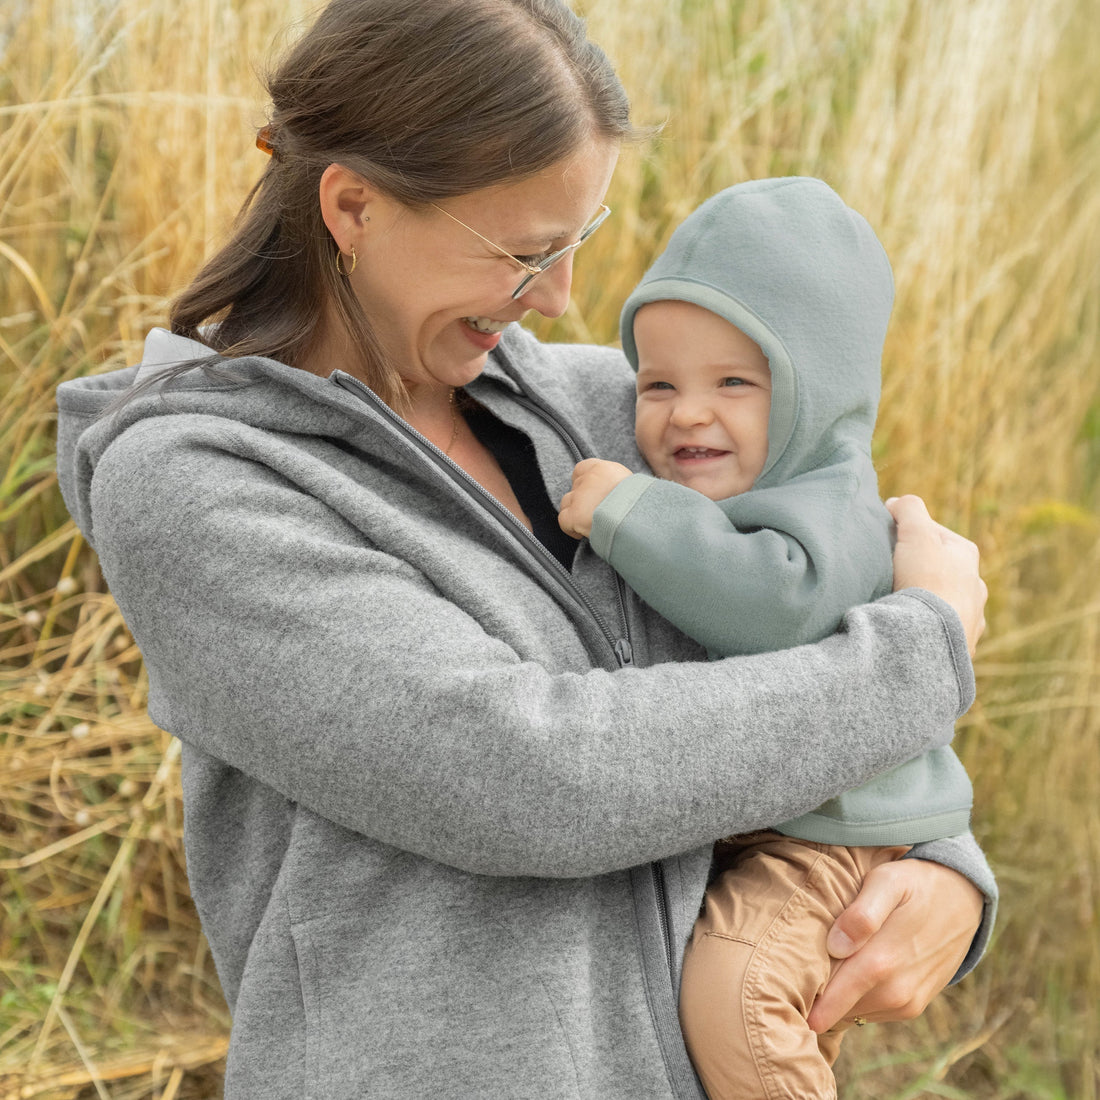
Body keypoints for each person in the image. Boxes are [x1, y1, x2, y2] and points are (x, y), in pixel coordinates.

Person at [54, 2, 994, 1097]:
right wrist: (920, 662)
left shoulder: (609, 410)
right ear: (352, 206)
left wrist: (941, 868)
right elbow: (524, 772)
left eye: (575, 244)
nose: (556, 298)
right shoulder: (195, 487)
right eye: (522, 251)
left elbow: (827, 602)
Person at [556, 176, 979, 1100]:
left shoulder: (828, 505)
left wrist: (632, 512)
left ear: (813, 394)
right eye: (657, 382)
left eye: (735, 383)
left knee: (740, 995)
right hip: (782, 817)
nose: (685, 414)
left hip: (831, 834)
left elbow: (773, 604)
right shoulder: (764, 482)